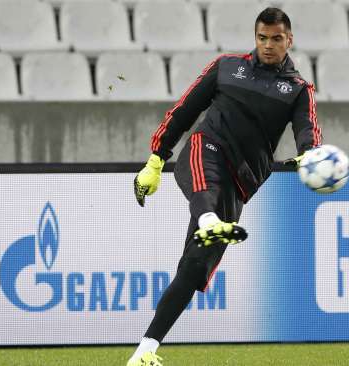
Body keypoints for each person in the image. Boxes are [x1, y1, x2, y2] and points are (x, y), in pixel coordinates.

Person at [127, 7, 322, 366]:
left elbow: (307, 132)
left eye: (276, 39)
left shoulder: (297, 90)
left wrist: (311, 156)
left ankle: (145, 352)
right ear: (255, 37)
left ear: (289, 40)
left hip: (238, 183)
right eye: (262, 38)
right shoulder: (226, 66)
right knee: (207, 178)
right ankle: (208, 222)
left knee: (193, 268)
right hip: (205, 148)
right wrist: (155, 160)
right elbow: (184, 110)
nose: (267, 45)